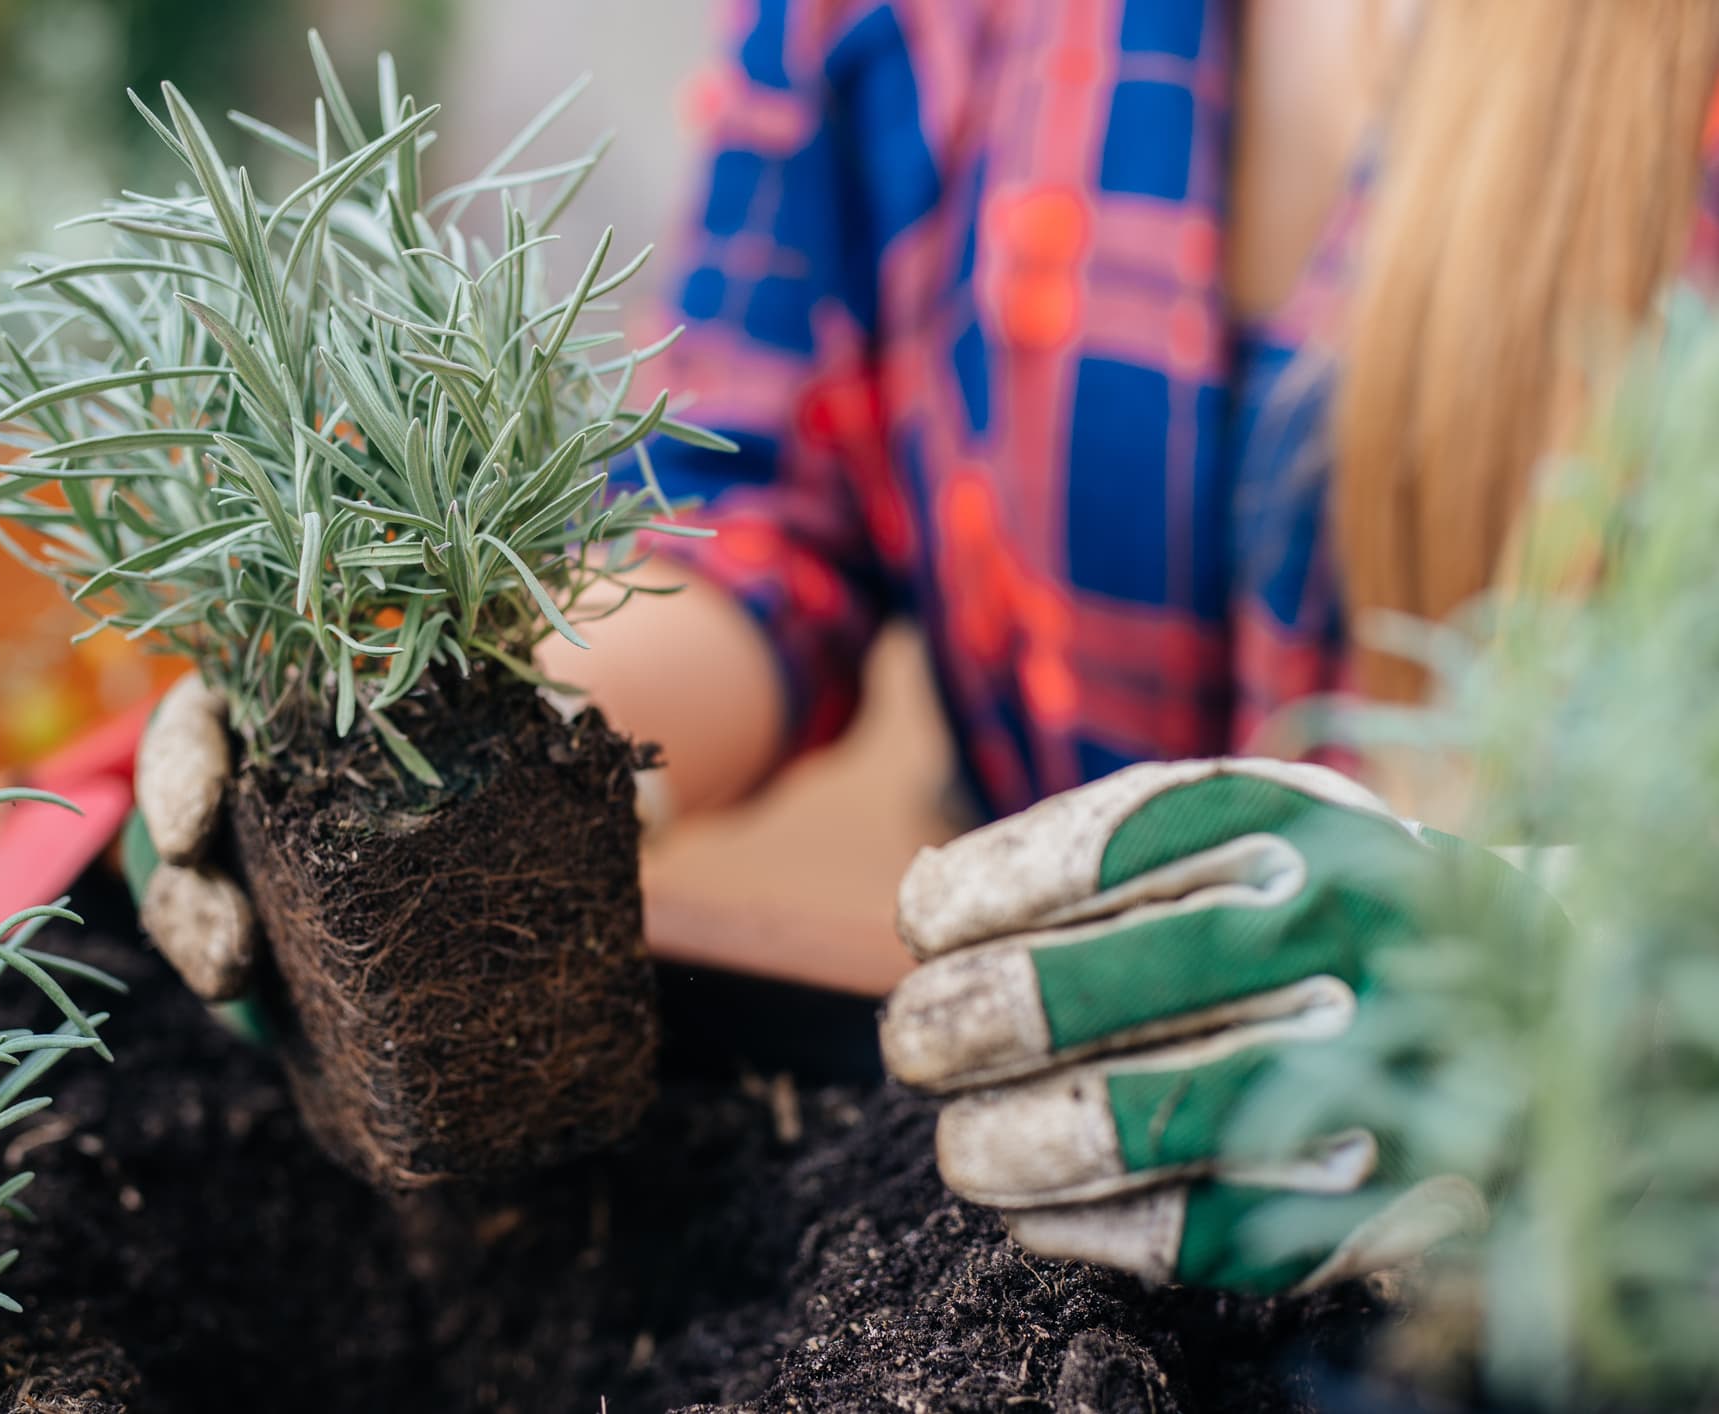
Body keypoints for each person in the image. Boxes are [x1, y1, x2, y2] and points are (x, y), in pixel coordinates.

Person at [134, 0, 1719, 1292]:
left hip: (1575, 1260)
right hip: (1048, 1180)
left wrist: (1556, 976)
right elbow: (761, 513)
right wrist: (443, 742)